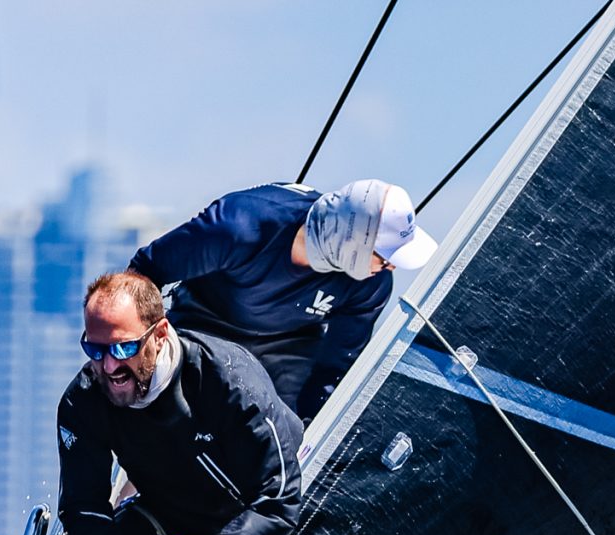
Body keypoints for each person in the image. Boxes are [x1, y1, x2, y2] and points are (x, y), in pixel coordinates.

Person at [54, 270, 302, 535]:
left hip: (252, 522)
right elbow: (83, 508)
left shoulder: (228, 380)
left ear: (160, 334)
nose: (109, 366)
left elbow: (280, 502)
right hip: (167, 513)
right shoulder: (84, 399)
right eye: (96, 349)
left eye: (123, 348)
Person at [128, 177, 438, 422]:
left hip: (291, 347)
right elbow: (143, 273)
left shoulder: (372, 284)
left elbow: (333, 369)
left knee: (280, 433)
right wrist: (138, 354)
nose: (391, 267)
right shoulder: (239, 227)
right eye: (385, 257)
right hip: (203, 324)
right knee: (177, 419)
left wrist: (309, 429)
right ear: (351, 245)